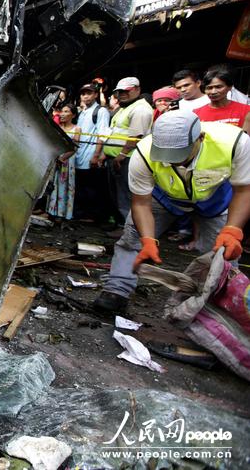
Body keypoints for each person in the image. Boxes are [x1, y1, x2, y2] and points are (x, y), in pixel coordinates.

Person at [92, 111, 250, 313]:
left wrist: (232, 229)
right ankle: (117, 291)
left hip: (215, 197)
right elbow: (140, 203)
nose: (172, 161)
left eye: (178, 154)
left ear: (200, 138)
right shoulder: (143, 152)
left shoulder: (236, 142)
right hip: (163, 196)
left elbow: (244, 189)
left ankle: (218, 305)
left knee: (224, 253)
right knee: (133, 239)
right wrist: (148, 239)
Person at [101, 77, 153, 220]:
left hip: (128, 159)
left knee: (127, 196)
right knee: (119, 194)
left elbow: (135, 137)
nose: (122, 94)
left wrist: (122, 154)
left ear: (137, 89)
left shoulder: (140, 109)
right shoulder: (125, 107)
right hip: (118, 158)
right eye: (119, 91)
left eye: (126, 91)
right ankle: (124, 225)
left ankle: (130, 228)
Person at [73, 84, 110, 223]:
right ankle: (83, 214)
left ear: (95, 94)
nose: (86, 96)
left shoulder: (101, 111)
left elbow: (103, 133)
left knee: (92, 187)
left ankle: (93, 216)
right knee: (83, 186)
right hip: (80, 155)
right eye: (83, 94)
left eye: (89, 93)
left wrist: (96, 155)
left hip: (90, 154)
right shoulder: (84, 111)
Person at [47, 104, 80, 220]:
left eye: (66, 111)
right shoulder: (58, 127)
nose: (62, 114)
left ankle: (62, 214)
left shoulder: (77, 129)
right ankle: (51, 211)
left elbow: (75, 147)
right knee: (53, 185)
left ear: (73, 115)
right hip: (56, 159)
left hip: (67, 161)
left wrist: (63, 158)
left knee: (65, 186)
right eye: (62, 111)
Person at [194, 67, 250, 133]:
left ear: (230, 87)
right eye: (209, 88)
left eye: (218, 87)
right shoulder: (196, 114)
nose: (213, 91)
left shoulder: (246, 111)